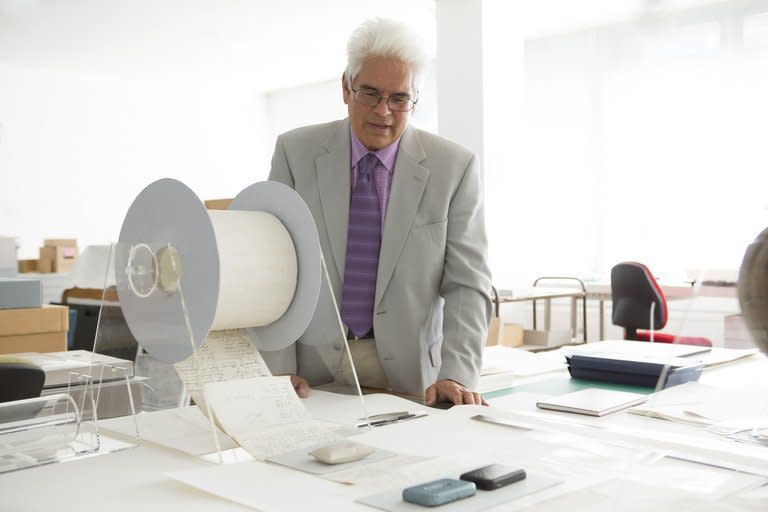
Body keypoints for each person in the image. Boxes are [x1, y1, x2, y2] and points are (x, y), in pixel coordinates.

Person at [268, 18, 492, 406]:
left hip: (412, 377)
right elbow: (275, 269)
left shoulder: (454, 168)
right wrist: (278, 367)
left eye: (399, 99)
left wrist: (455, 372)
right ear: (345, 87)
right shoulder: (294, 153)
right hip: (310, 370)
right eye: (370, 93)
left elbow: (467, 284)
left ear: (415, 99)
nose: (383, 111)